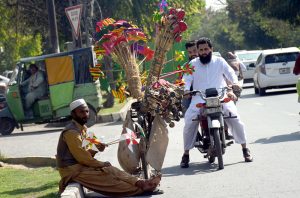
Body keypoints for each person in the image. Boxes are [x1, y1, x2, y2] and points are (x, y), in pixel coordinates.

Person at [56, 98, 162, 197]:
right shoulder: (71, 133)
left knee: (110, 169)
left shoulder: (82, 128)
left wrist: (98, 148)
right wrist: (101, 164)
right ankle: (142, 189)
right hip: (72, 170)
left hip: (82, 166)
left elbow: (88, 151)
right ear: (73, 114)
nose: (85, 115)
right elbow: (83, 158)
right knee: (109, 180)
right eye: (81, 112)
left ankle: (141, 182)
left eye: (87, 111)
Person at [180, 37, 253, 168]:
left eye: (206, 49)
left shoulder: (220, 61)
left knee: (235, 117)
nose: (203, 52)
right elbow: (187, 78)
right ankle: (186, 154)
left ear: (211, 49)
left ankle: (244, 149)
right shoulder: (192, 64)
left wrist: (235, 84)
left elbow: (231, 73)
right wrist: (186, 89)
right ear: (198, 51)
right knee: (189, 120)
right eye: (201, 50)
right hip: (199, 97)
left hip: (221, 95)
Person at [181, 40, 198, 114]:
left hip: (209, 93)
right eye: (190, 52)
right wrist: (186, 91)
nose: (193, 54)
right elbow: (183, 81)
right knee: (188, 115)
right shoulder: (186, 66)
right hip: (192, 94)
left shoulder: (208, 61)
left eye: (195, 51)